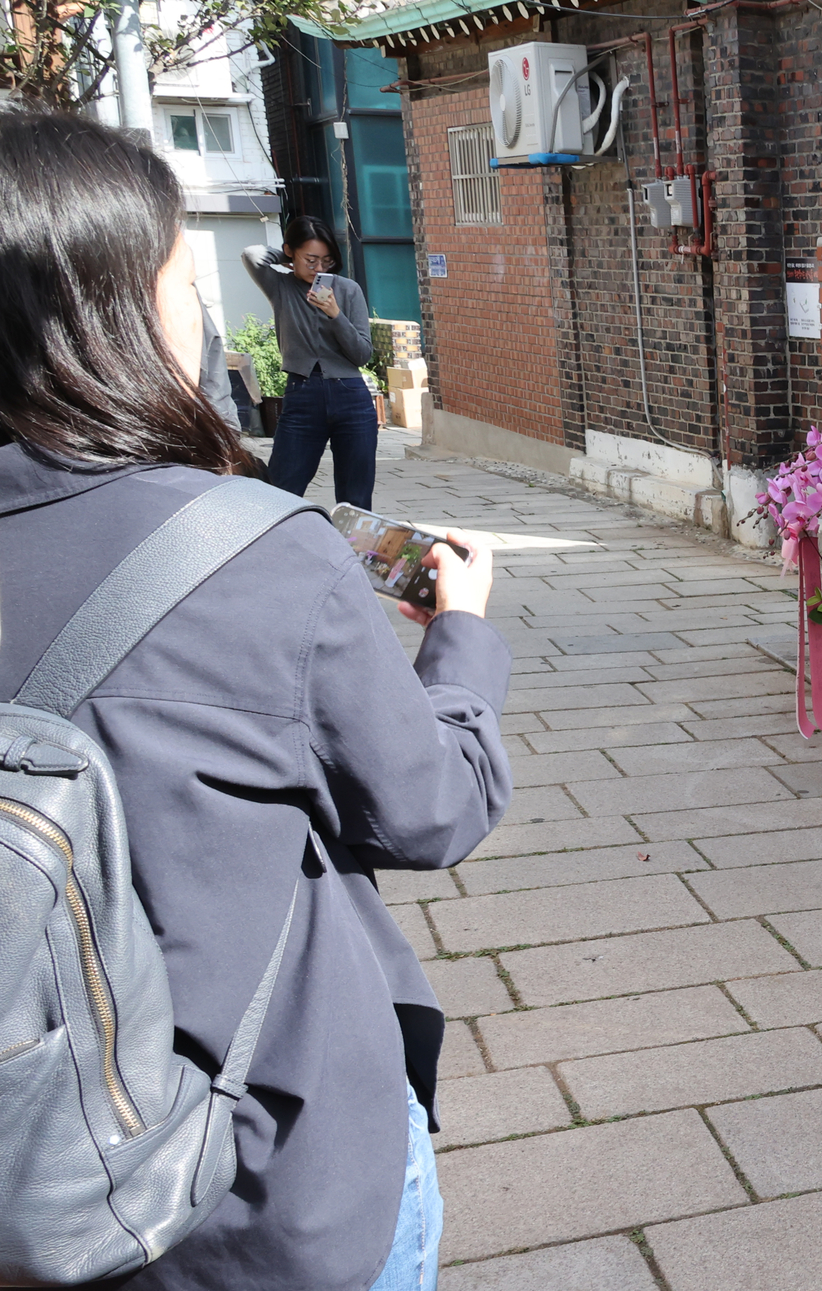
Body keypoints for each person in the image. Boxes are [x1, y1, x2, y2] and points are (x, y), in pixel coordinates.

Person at [0, 108, 513, 1290]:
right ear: (118, 308)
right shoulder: (251, 549)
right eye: (185, 280)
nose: (207, 315)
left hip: (37, 1183)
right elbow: (431, 808)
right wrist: (465, 640)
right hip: (260, 1175)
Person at [243, 216, 379, 507]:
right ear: (291, 252)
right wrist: (288, 256)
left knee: (355, 498)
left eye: (326, 261)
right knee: (281, 489)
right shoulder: (280, 286)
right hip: (302, 396)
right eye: (311, 260)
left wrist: (335, 314)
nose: (319, 269)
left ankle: (351, 553)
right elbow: (251, 255)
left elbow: (362, 354)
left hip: (352, 398)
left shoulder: (348, 290)